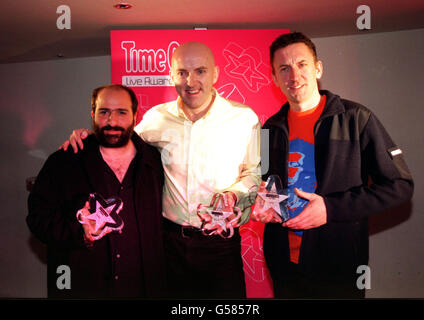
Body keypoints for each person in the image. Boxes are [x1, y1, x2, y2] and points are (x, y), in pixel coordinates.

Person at [60, 42, 262, 298]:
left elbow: (257, 173)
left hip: (220, 246)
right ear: (171, 76)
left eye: (200, 71)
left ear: (215, 74)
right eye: (182, 72)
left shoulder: (248, 118)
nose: (191, 81)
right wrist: (89, 136)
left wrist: (234, 195)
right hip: (169, 245)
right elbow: (122, 141)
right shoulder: (156, 118)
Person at [252, 32, 414, 298]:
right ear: (274, 78)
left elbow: (400, 186)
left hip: (337, 265)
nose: (294, 75)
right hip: (284, 266)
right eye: (284, 68)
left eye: (302, 64)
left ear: (318, 68)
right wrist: (263, 202)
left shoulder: (356, 119)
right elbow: (266, 183)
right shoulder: (269, 129)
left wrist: (330, 208)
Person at [27, 84, 166, 298]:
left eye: (121, 112)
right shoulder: (64, 161)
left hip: (143, 289)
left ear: (135, 116)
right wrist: (79, 231)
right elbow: (38, 219)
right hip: (83, 288)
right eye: (104, 112)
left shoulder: (156, 162)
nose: (112, 121)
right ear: (93, 115)